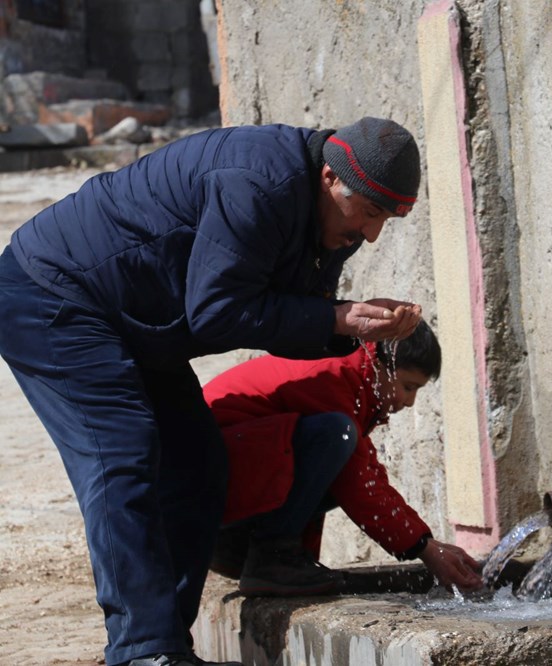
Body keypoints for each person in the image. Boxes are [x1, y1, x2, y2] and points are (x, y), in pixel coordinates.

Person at [0, 117, 425, 666]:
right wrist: (338, 318)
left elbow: (288, 320)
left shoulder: (328, 221)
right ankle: (142, 651)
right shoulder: (259, 182)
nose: (371, 234)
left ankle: (164, 644)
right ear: (328, 177)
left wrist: (348, 322)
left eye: (385, 219)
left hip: (138, 320)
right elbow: (218, 312)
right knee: (122, 453)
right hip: (53, 296)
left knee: (198, 465)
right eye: (369, 214)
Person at [203, 320, 483, 596]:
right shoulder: (332, 374)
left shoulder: (353, 375)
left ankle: (244, 549)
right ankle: (271, 557)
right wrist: (424, 549)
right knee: (339, 437)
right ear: (383, 365)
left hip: (224, 476)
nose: (409, 402)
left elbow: (366, 473)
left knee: (342, 448)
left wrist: (427, 541)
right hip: (207, 479)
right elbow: (357, 481)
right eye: (408, 387)